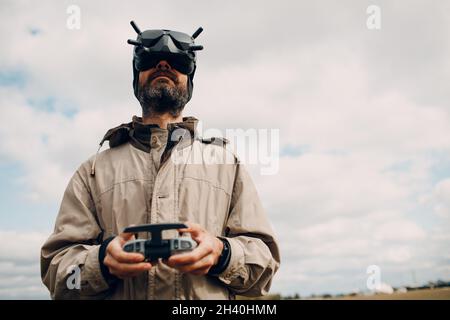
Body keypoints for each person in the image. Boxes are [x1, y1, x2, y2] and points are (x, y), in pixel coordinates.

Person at [40, 21, 280, 299]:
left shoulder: (228, 165)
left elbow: (265, 268)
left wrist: (222, 254)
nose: (163, 65)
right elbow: (56, 274)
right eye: (150, 60)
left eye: (177, 61)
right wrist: (102, 263)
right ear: (136, 77)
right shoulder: (92, 171)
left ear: (190, 81)